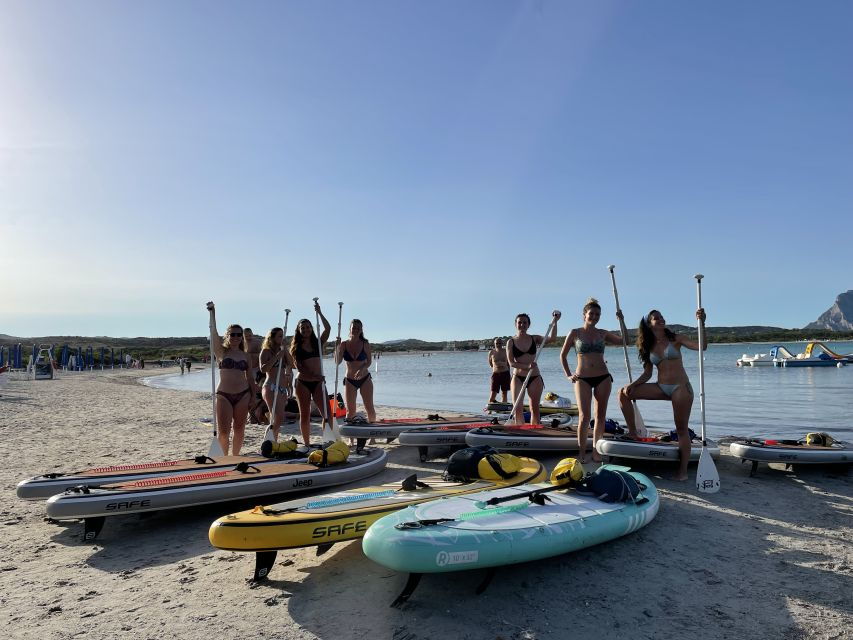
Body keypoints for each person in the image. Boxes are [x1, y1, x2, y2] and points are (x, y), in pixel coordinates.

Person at [618, 307, 707, 481]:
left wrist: (702, 323)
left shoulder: (676, 339)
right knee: (622, 393)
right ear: (649, 325)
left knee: (681, 429)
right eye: (656, 318)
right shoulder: (648, 346)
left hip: (680, 389)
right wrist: (633, 384)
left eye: (661, 317)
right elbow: (647, 374)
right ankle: (633, 432)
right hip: (661, 386)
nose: (660, 320)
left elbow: (702, 346)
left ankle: (682, 472)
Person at [559, 298, 624, 462]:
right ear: (584, 315)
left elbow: (625, 341)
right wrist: (568, 374)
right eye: (591, 313)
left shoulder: (603, 333)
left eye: (597, 314)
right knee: (584, 417)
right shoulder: (575, 333)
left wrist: (621, 321)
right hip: (582, 378)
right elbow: (563, 356)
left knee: (600, 416)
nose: (594, 317)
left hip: (603, 377)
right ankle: (581, 452)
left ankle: (596, 451)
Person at [206, 301, 259, 455]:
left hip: (243, 394)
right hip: (224, 395)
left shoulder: (246, 356)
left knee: (239, 428)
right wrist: (212, 312)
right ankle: (224, 458)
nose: (236, 337)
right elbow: (214, 332)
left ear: (242, 338)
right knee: (224, 431)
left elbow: (249, 377)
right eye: (232, 334)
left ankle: (235, 457)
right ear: (227, 336)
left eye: (238, 335)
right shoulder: (221, 352)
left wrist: (253, 396)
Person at [506, 311, 561, 425]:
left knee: (534, 408)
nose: (522, 325)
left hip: (534, 377)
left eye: (525, 322)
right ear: (515, 324)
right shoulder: (510, 342)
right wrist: (526, 366)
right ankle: (520, 432)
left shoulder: (534, 338)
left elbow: (553, 338)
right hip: (518, 378)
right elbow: (511, 363)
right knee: (518, 408)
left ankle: (535, 430)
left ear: (528, 325)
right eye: (519, 322)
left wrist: (555, 322)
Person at [290, 302, 331, 447]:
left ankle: (328, 440)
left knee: (327, 414)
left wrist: (319, 313)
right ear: (299, 330)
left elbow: (328, 328)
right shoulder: (295, 348)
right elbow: (300, 369)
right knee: (305, 414)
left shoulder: (318, 343)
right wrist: (316, 377)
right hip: (303, 383)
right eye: (303, 328)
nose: (306, 330)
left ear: (311, 328)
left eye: (308, 327)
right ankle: (307, 444)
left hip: (318, 382)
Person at [335, 319, 376, 423]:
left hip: (365, 379)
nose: (356, 330)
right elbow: (337, 362)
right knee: (351, 410)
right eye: (354, 327)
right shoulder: (344, 344)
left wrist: (363, 369)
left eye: (358, 328)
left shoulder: (365, 344)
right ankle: (351, 439)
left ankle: (372, 438)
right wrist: (337, 348)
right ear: (350, 329)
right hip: (349, 380)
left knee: (369, 407)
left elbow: (369, 362)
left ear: (361, 330)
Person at [259, 327, 296, 441]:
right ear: (272, 338)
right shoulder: (265, 351)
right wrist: (276, 357)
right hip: (270, 387)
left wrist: (285, 350)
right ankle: (267, 442)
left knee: (279, 419)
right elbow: (263, 369)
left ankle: (273, 441)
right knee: (275, 417)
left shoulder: (283, 351)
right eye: (280, 336)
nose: (282, 338)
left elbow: (292, 365)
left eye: (283, 336)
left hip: (281, 388)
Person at [487, 337, 511, 404]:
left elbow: (509, 364)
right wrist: (497, 367)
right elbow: (490, 364)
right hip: (496, 374)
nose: (498, 344)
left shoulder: (506, 351)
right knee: (493, 392)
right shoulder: (491, 352)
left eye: (500, 343)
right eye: (497, 343)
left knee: (504, 392)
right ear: (494, 344)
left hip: (505, 373)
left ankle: (503, 408)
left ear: (502, 343)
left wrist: (510, 375)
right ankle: (489, 410)